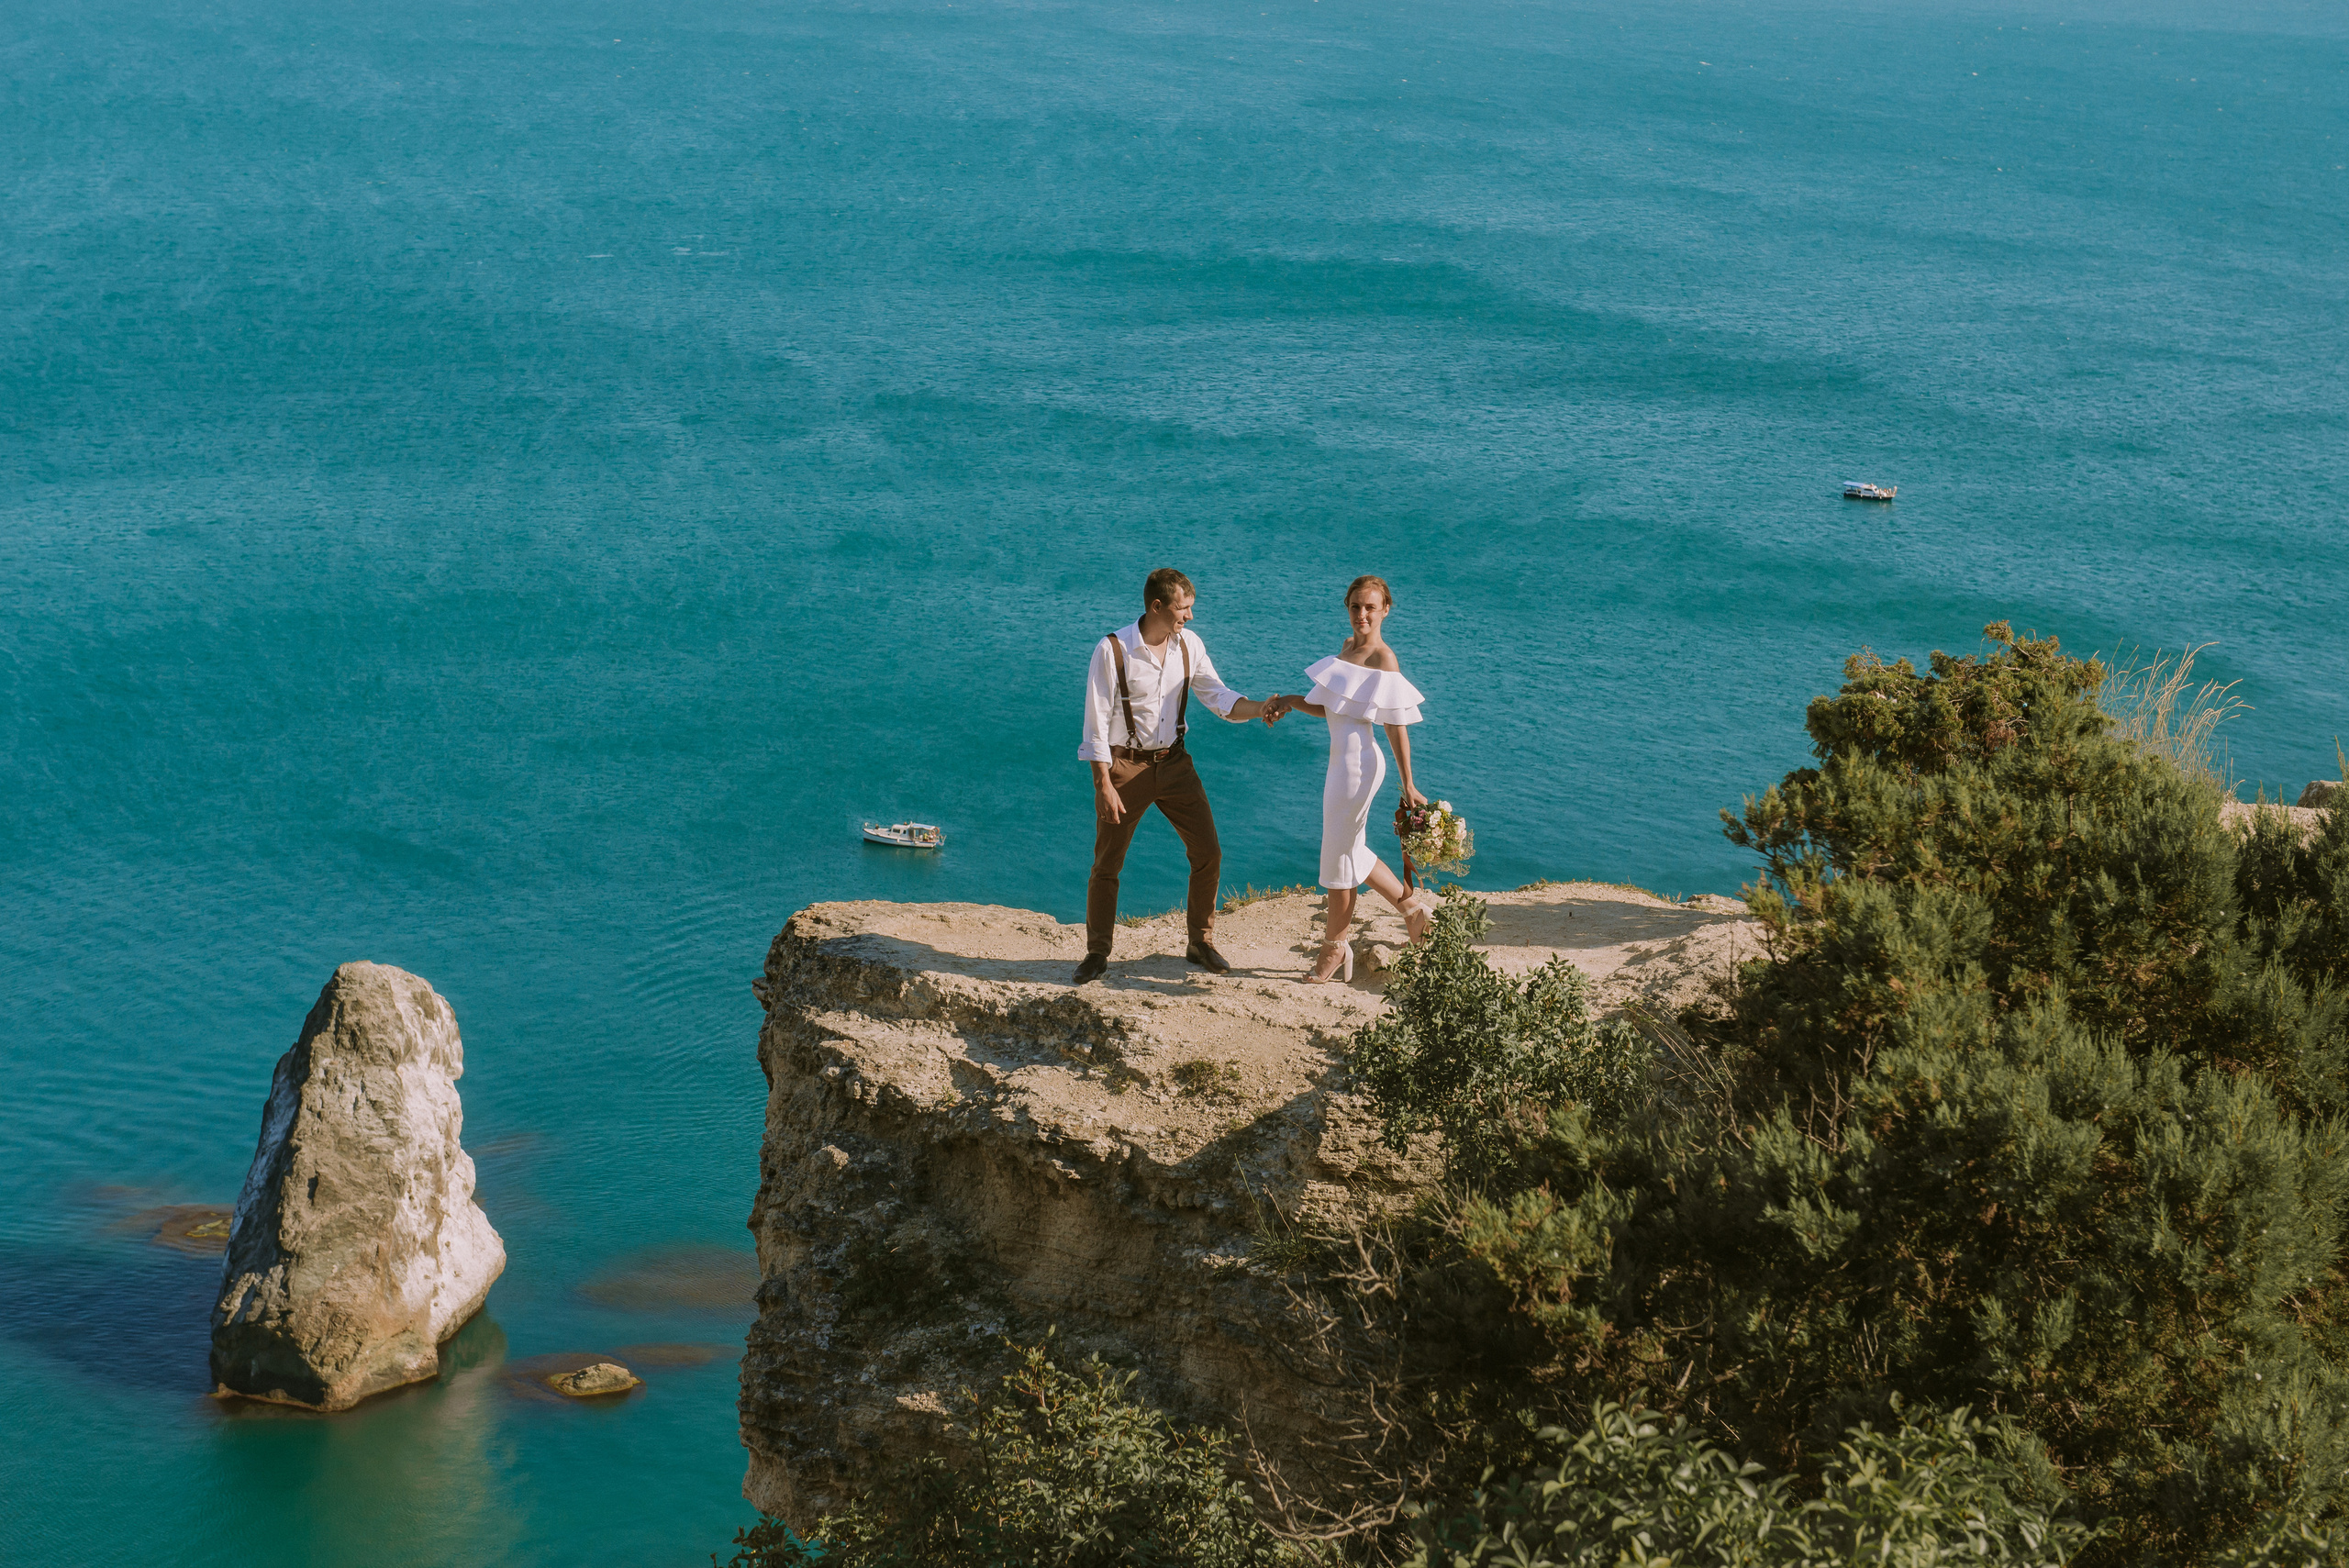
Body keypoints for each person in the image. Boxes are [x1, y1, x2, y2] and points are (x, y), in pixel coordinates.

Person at [1074, 568, 1277, 985]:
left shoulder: (1190, 645)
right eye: (1183, 608)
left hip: (1176, 764)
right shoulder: (1112, 651)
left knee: (1208, 851)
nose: (1189, 616)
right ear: (1157, 606)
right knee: (1107, 864)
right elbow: (1094, 726)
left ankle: (1199, 942)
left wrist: (1259, 708)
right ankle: (1097, 952)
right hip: (1126, 767)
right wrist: (1103, 785)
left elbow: (1217, 696)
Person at [1260, 575, 1437, 984]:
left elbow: (1395, 725)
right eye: (1356, 606)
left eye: (1370, 607)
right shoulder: (1346, 649)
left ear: (1385, 610)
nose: (1362, 614)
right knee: (1349, 848)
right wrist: (1289, 700)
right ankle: (1415, 913)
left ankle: (1335, 948)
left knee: (1337, 856)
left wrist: (1409, 784)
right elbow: (1334, 709)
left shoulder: (1382, 658)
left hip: (1360, 768)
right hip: (1340, 763)